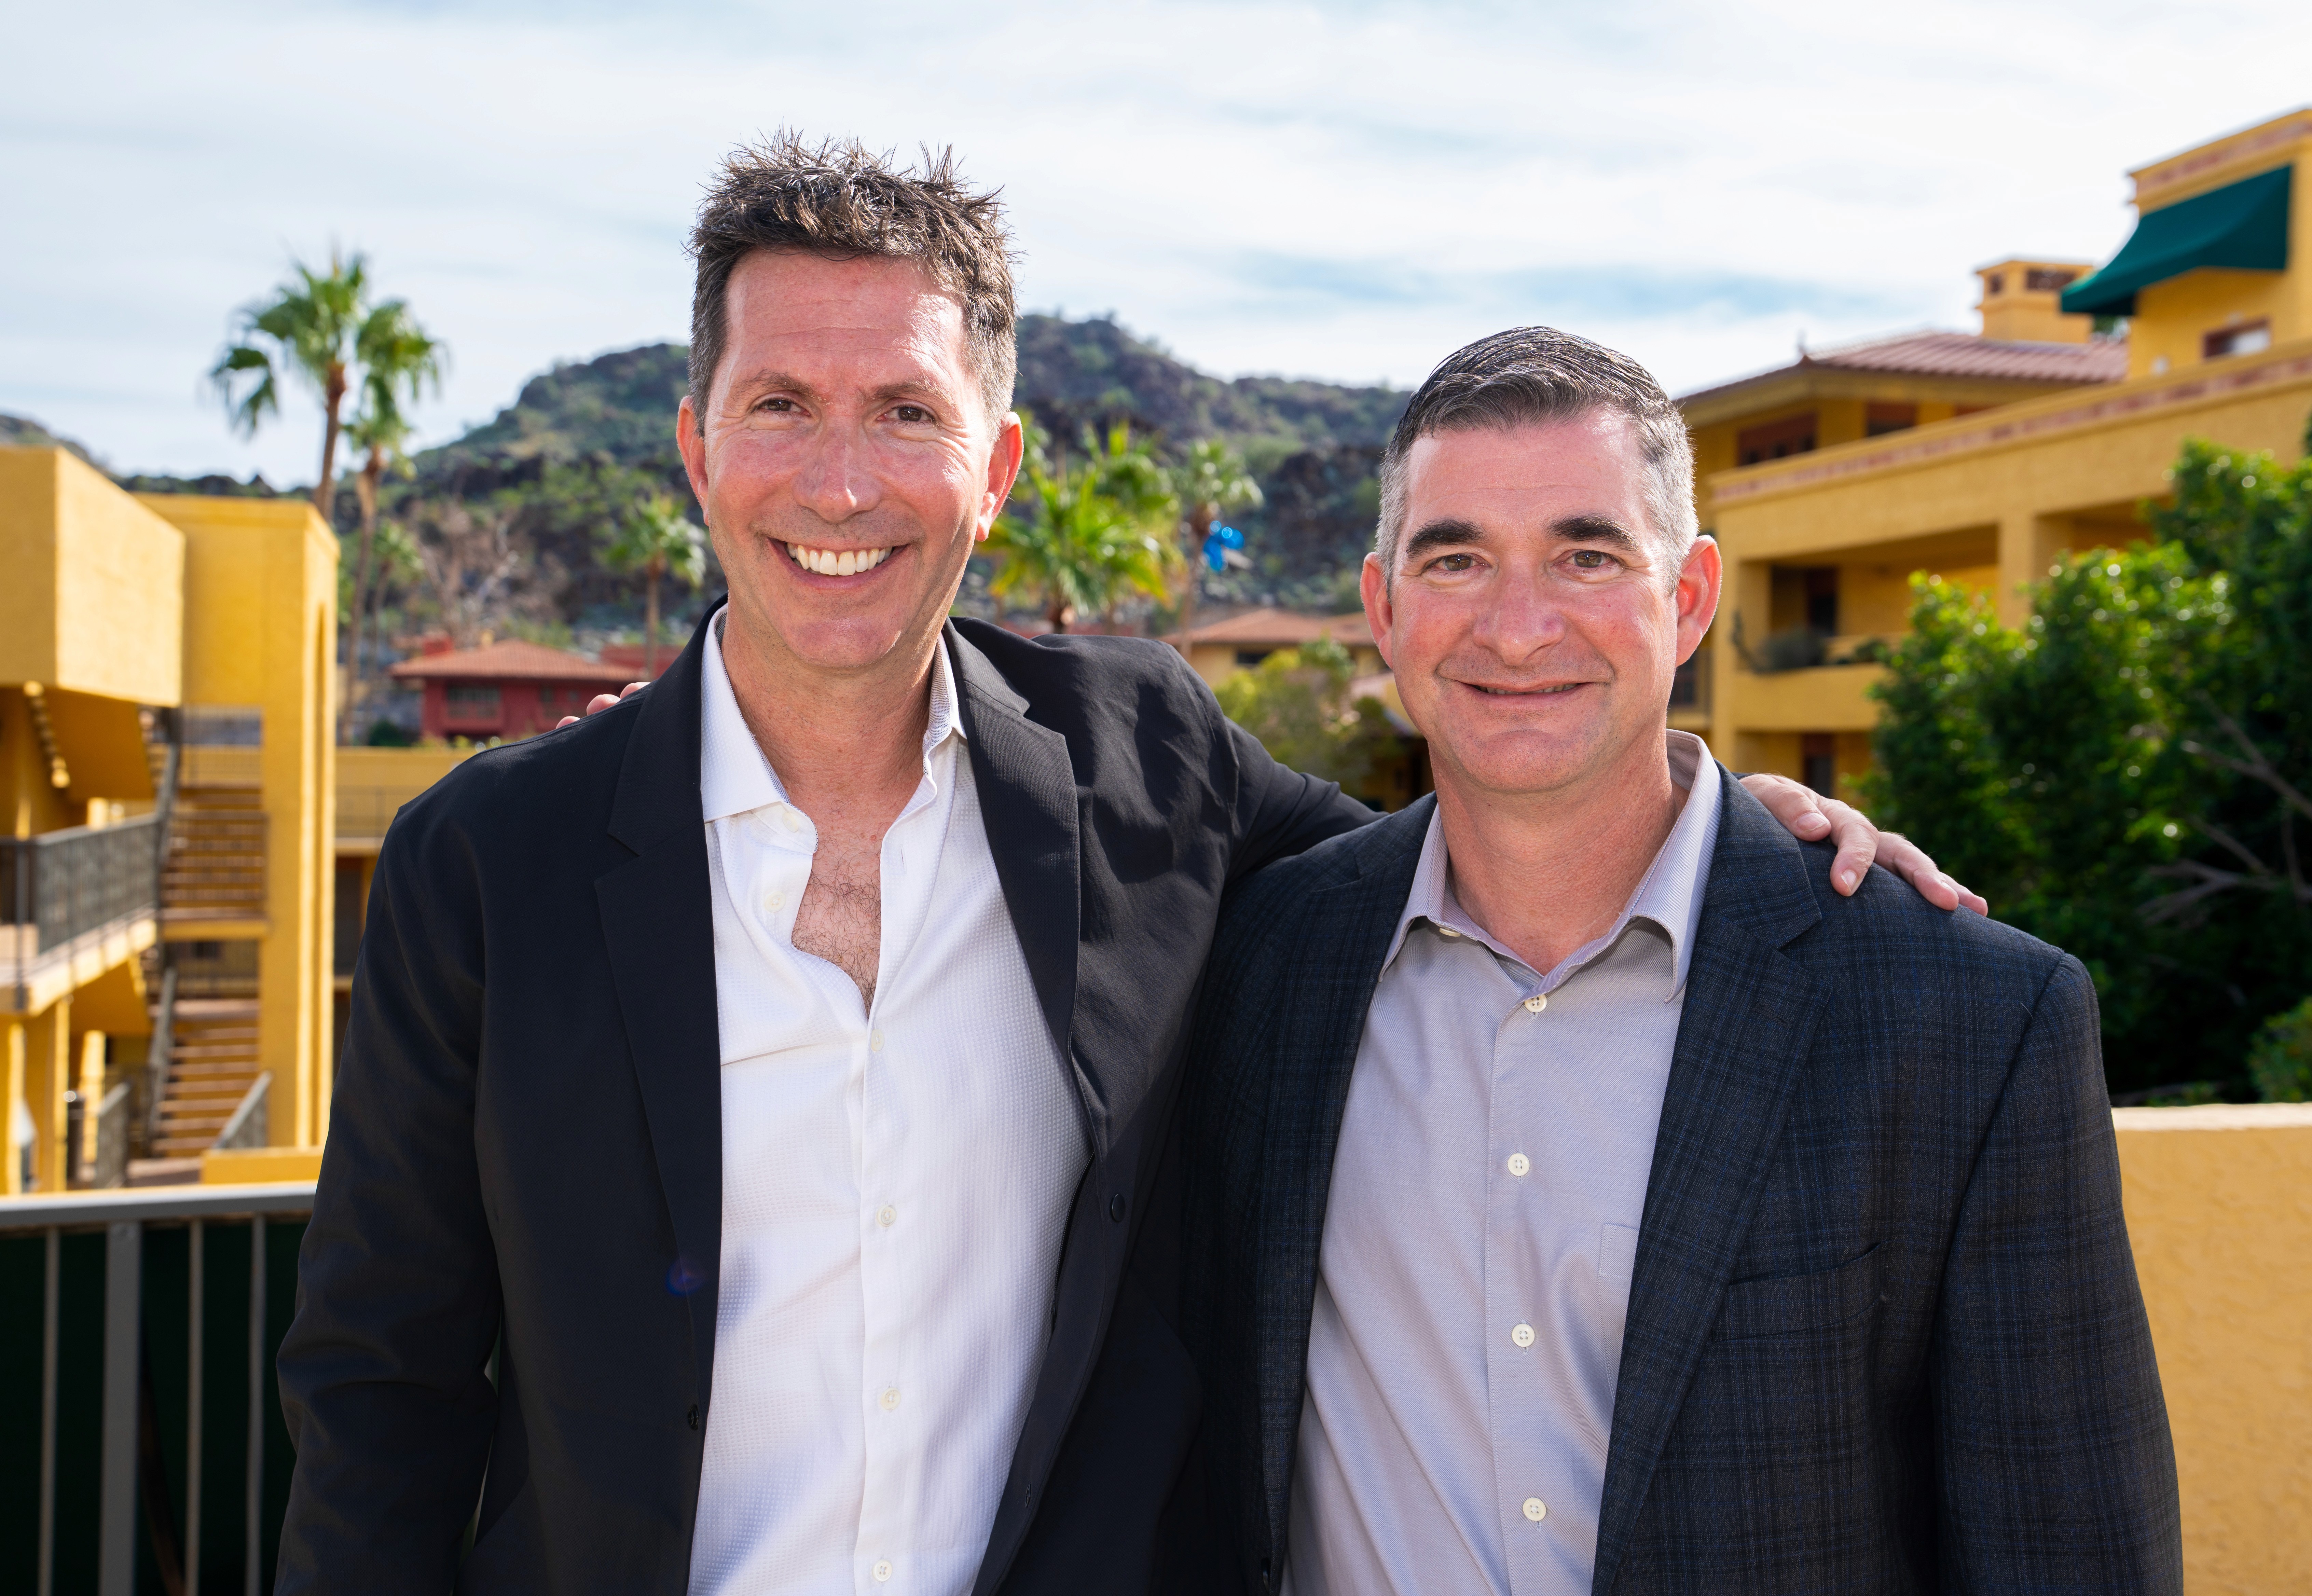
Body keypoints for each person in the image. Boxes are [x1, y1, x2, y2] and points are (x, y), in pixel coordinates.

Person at [276, 139, 1970, 1596]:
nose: (840, 480)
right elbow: (383, 1381)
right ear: (696, 446)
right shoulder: (488, 856)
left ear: (996, 469)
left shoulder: (1142, 758)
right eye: (779, 404)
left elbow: (1463, 853)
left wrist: (1727, 818)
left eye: (906, 413)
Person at [1155, 328, 2180, 1595]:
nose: (1519, 627)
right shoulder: (1260, 965)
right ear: (1382, 607)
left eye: (1586, 556)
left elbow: (2066, 1554)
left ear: (1688, 597)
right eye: (1457, 557)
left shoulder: (1970, 1018)